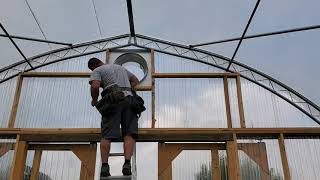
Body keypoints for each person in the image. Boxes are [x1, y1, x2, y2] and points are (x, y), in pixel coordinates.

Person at [88, 57, 140, 177]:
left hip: (112, 101)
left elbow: (95, 86)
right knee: (129, 133)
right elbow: (135, 80)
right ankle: (127, 164)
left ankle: (105, 166)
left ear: (93, 66)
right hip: (130, 100)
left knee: (106, 135)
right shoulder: (120, 68)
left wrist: (94, 100)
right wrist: (128, 90)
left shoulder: (97, 70)